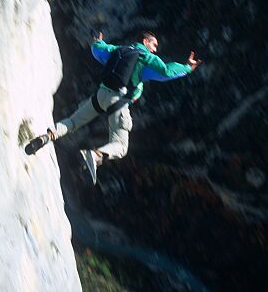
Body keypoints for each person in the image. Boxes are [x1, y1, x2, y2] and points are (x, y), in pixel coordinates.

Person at [28, 31, 201, 184]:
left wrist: (97, 41)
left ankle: (47, 136)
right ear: (145, 41)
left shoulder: (119, 50)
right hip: (118, 101)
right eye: (154, 44)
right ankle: (95, 156)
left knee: (73, 122)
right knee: (120, 146)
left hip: (100, 95)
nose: (155, 49)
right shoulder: (146, 58)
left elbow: (98, 51)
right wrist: (186, 67)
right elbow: (166, 72)